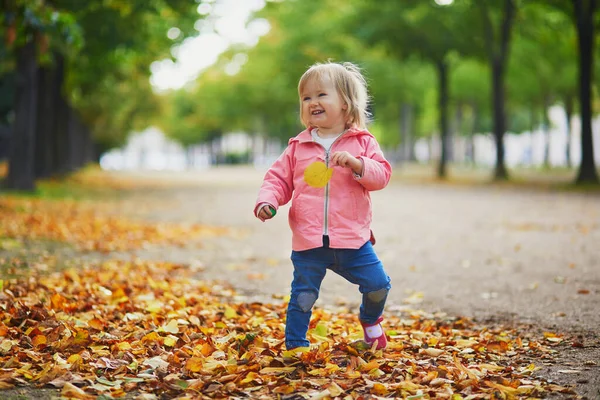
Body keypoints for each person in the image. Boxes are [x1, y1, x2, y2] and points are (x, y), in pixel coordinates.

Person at [254, 61, 392, 351]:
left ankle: (370, 321)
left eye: (321, 95)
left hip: (352, 239)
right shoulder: (298, 146)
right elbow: (278, 179)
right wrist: (268, 200)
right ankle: (295, 345)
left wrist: (358, 164)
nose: (312, 102)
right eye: (306, 98)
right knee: (303, 296)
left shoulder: (363, 142)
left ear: (345, 103)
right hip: (309, 241)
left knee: (378, 285)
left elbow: (381, 176)